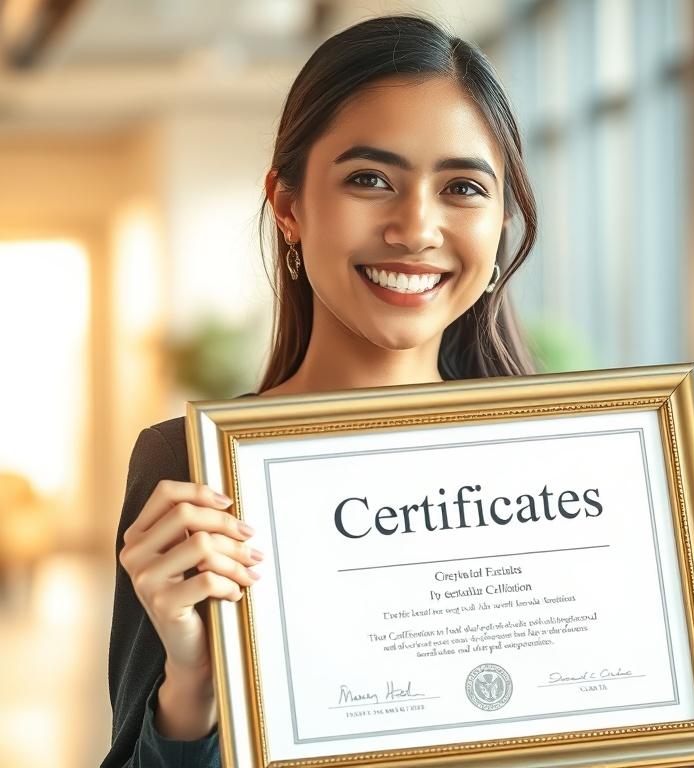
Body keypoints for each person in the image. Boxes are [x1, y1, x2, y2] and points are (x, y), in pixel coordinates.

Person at [100, 13, 538, 767]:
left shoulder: (566, 469)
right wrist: (192, 687)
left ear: (501, 221)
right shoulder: (191, 469)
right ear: (288, 205)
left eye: (463, 187)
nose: (416, 228)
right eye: (370, 179)